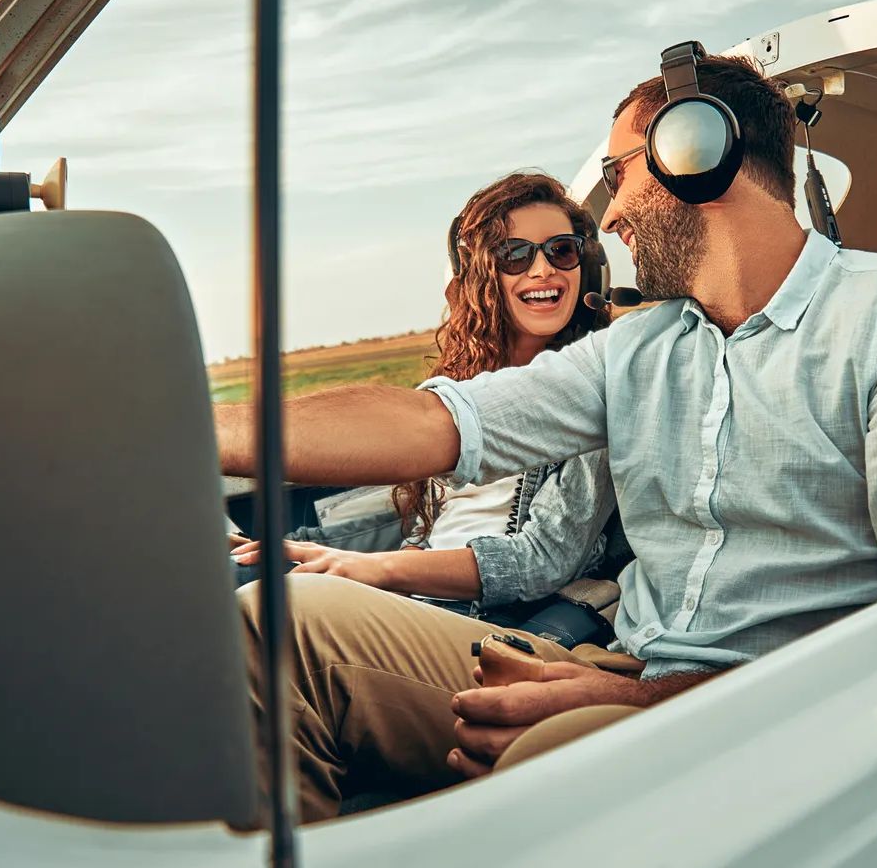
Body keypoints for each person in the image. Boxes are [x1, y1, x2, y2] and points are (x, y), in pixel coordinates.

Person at [218, 46, 877, 821]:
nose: (608, 219)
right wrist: (184, 426)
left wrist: (637, 703)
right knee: (282, 622)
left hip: (783, 720)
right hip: (627, 670)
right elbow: (439, 421)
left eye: (617, 175)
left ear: (697, 153)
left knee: (556, 751)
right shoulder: (638, 348)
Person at [229, 171, 617, 623]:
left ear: (585, 264)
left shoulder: (592, 390)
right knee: (223, 573)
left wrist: (371, 570)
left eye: (561, 250)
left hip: (480, 616)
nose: (543, 269)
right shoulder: (460, 386)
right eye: (514, 255)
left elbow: (542, 560)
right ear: (480, 277)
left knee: (259, 611)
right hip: (417, 601)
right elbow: (426, 532)